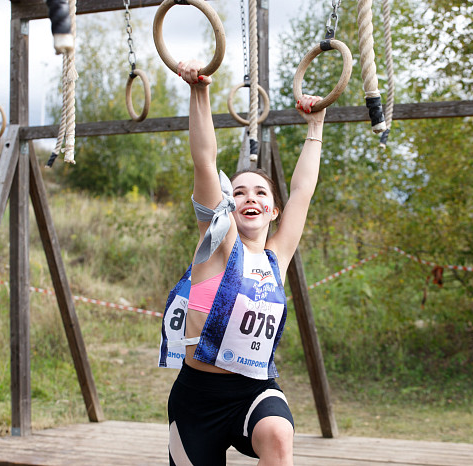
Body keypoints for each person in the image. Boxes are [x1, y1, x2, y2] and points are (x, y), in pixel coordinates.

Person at [158, 59, 326, 466]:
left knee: (278, 433)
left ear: (273, 211)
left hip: (254, 390)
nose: (250, 197)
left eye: (261, 193)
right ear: (228, 208)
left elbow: (302, 190)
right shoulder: (218, 244)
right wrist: (199, 92)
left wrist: (316, 127)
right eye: (240, 192)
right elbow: (204, 161)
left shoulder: (276, 257)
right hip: (196, 398)